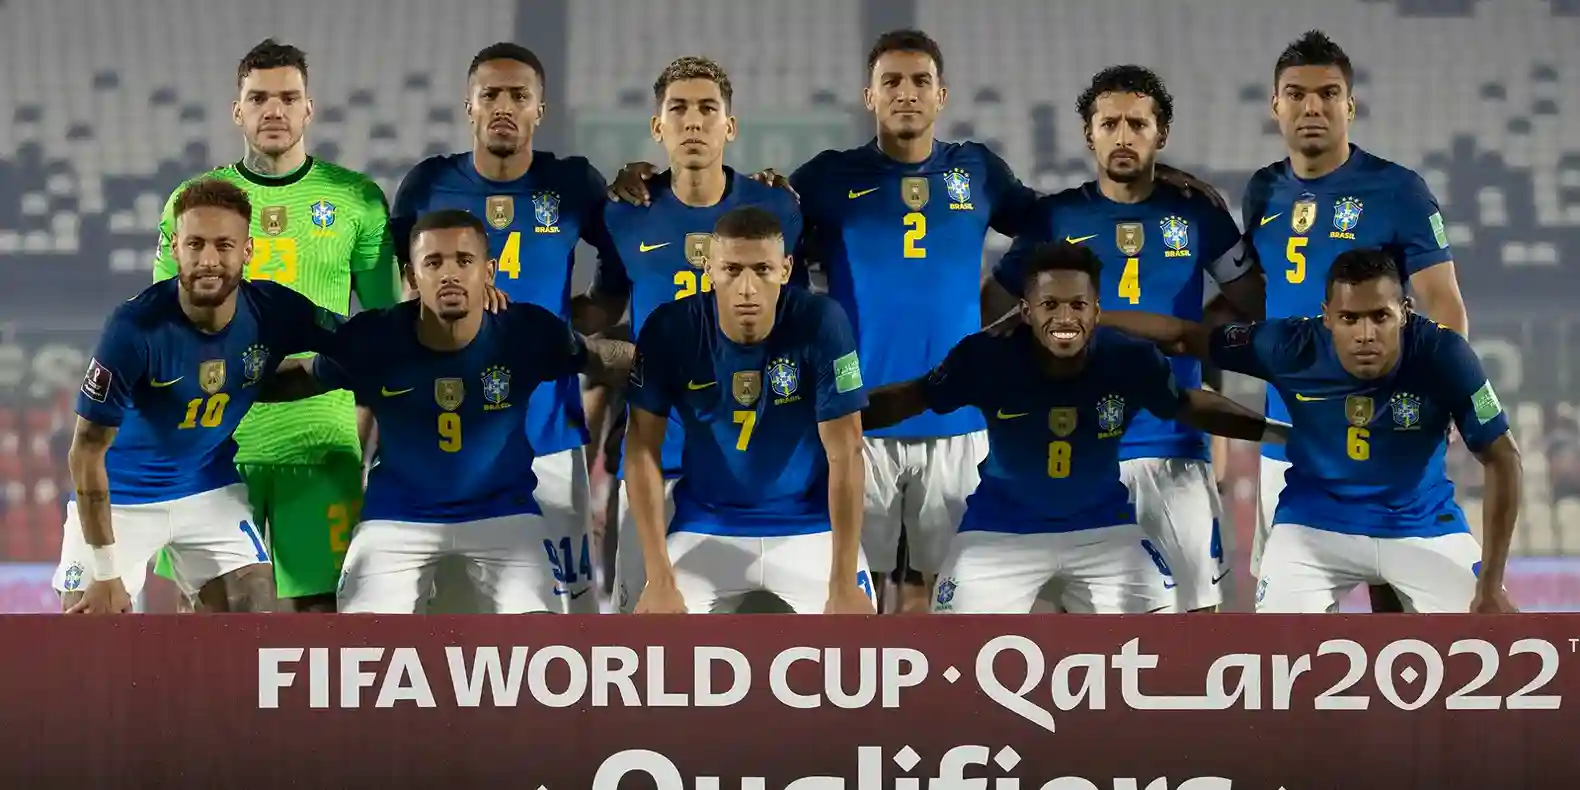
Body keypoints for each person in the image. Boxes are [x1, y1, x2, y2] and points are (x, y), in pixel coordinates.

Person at [1102, 249, 1519, 613]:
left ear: (1405, 312)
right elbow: (1182, 338)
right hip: (1314, 526)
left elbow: (1503, 457)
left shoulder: (1444, 355)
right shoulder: (1291, 346)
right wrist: (1095, 318)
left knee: (1493, 638)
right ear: (1327, 317)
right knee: (1279, 656)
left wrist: (1490, 583)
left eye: (1380, 317)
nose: (1365, 334)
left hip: (1421, 523)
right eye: (1349, 318)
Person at [865, 243, 1275, 614]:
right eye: (1050, 305)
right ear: (1026, 311)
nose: (1065, 318)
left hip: (1105, 531)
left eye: (1078, 306)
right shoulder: (984, 358)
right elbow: (913, 396)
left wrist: (1279, 433)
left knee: (1161, 635)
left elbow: (1188, 406)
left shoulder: (1130, 359)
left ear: (1096, 310)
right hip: (998, 534)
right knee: (953, 647)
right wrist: (839, 418)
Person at [264, 210, 635, 613]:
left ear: (488, 271)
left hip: (504, 515)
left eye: (463, 260)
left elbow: (604, 358)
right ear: (412, 276)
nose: (450, 275)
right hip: (396, 519)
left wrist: (687, 367)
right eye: (433, 262)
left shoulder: (525, 331)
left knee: (537, 640)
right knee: (361, 643)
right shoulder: (376, 337)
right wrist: (227, 380)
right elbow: (300, 376)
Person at [995, 65, 1261, 612]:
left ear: (1160, 135)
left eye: (1137, 124)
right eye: (1109, 123)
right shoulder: (1056, 216)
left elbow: (1253, 300)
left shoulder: (1197, 213)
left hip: (1172, 450)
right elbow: (992, 309)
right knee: (1083, 621)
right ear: (1087, 133)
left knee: (1196, 617)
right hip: (1072, 448)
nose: (1123, 136)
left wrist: (1193, 336)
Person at [148, 39, 400, 612]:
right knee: (208, 619)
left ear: (309, 109)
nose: (274, 111)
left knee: (320, 619)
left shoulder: (356, 200)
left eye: (289, 97)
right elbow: (163, 326)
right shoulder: (192, 203)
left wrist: (372, 432)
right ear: (237, 111)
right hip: (217, 447)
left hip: (322, 445)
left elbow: (386, 331)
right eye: (259, 98)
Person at [1244, 30, 1472, 612]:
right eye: (1296, 93)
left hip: (1380, 426)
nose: (1312, 107)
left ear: (1350, 104)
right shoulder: (1262, 191)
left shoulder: (1397, 190)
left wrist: (1446, 397)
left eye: (1328, 93)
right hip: (1286, 434)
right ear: (1276, 106)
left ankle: (1401, 705)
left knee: (1396, 603)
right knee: (1288, 624)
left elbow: (1443, 302)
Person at [391, 43, 619, 612]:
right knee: (452, 615)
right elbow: (405, 290)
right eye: (489, 94)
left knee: (568, 611)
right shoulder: (428, 185)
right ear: (468, 106)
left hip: (546, 437)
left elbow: (616, 280)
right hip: (447, 436)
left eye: (519, 96)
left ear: (539, 108)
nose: (503, 106)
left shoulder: (573, 184)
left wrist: (567, 324)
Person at [57, 179, 344, 614]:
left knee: (253, 608)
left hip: (207, 488)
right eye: (195, 244)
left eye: (224, 245)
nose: (208, 260)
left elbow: (365, 340)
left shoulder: (274, 310)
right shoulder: (135, 328)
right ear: (176, 249)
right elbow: (85, 452)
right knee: (87, 624)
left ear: (247, 252)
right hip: (123, 496)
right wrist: (105, 570)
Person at [582, 56, 805, 612]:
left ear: (730, 126)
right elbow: (608, 303)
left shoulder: (777, 207)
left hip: (751, 457)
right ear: (658, 128)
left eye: (708, 108)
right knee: (647, 627)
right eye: (677, 109)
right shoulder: (624, 215)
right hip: (658, 449)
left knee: (756, 620)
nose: (693, 121)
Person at [625, 207, 874, 614]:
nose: (746, 288)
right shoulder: (671, 328)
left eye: (761, 269)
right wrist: (659, 577)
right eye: (731, 270)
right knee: (658, 648)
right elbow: (640, 450)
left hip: (808, 526)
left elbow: (845, 452)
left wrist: (843, 583)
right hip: (706, 526)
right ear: (709, 269)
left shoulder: (822, 322)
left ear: (786, 268)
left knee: (857, 651)